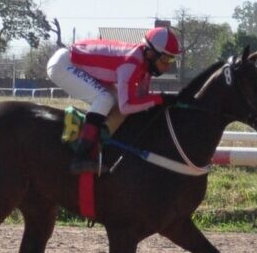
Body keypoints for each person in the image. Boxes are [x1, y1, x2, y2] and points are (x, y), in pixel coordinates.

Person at [46, 26, 182, 174]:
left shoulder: (144, 65)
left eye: (172, 59)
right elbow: (126, 106)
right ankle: (81, 157)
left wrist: (161, 101)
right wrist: (160, 99)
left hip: (75, 62)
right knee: (105, 99)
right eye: (166, 58)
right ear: (150, 53)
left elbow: (141, 101)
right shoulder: (132, 63)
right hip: (64, 64)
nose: (168, 65)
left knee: (116, 101)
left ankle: (102, 144)